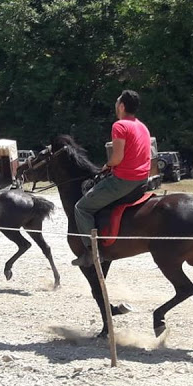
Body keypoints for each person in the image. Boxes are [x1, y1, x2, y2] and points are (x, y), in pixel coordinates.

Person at [72, 90, 152, 267]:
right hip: (142, 180)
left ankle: (92, 252)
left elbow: (117, 158)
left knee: (81, 208)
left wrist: (107, 166)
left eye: (117, 102)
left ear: (122, 106)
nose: (116, 106)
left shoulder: (120, 125)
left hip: (124, 181)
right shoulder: (142, 126)